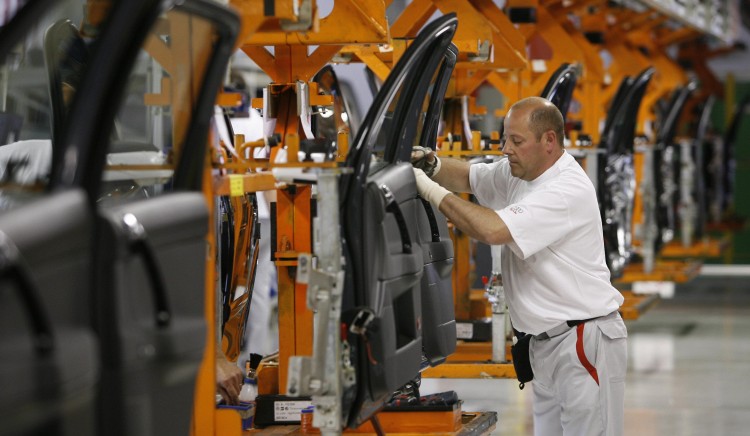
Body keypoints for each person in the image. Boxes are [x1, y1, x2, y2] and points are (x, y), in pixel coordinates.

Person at [412, 96, 627, 436]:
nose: (505, 149)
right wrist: (432, 165)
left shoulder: (565, 188)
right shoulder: (520, 171)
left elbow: (492, 230)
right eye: (504, 138)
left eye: (516, 141)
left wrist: (428, 190)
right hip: (543, 345)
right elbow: (470, 176)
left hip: (582, 341)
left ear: (549, 142)